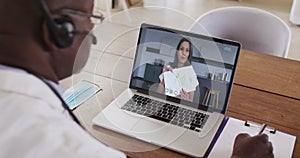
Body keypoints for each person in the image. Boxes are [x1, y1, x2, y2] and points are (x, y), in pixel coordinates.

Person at [0, 0, 273, 157]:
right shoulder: (69, 148)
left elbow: (192, 99)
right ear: (61, 31)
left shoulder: (190, 76)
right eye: (90, 17)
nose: (93, 28)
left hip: (188, 114)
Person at [156, 38, 195, 102]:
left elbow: (191, 101)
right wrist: (164, 80)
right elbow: (157, 95)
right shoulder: (169, 69)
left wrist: (186, 99)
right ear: (177, 52)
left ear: (189, 54)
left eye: (187, 50)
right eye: (181, 49)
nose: (184, 53)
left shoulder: (190, 75)